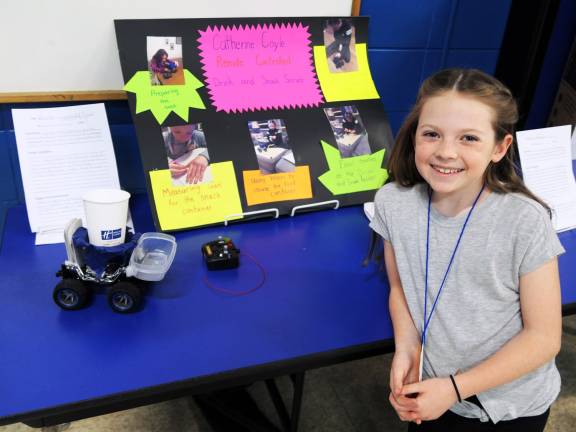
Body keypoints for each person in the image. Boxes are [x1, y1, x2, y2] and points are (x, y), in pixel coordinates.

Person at [370, 68, 563, 431]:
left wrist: (455, 388)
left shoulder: (524, 220)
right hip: (434, 392)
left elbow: (544, 338)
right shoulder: (392, 204)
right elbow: (400, 288)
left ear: (500, 147)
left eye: (469, 138)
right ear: (415, 136)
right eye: (432, 134)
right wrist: (407, 350)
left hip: (510, 406)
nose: (445, 152)